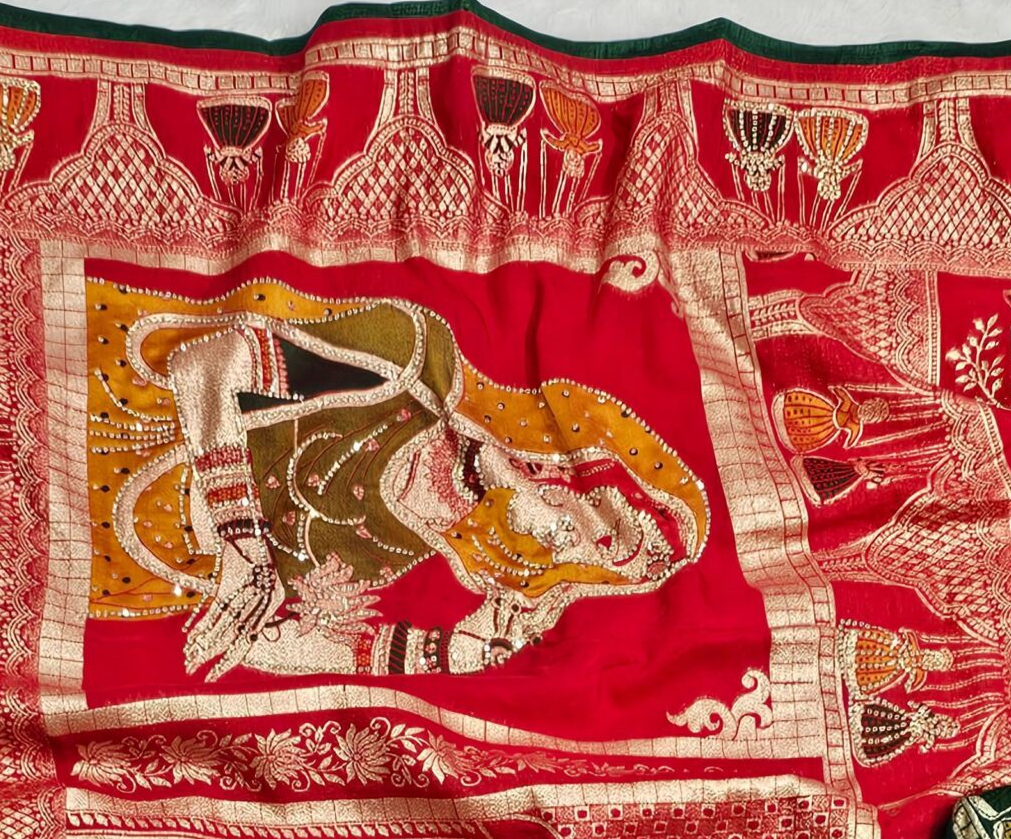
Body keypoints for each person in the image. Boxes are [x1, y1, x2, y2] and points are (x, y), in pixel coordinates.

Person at [86, 277, 707, 679]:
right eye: (587, 533)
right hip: (93, 403)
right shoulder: (410, 363)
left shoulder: (401, 555)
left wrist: (441, 655)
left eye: (575, 574)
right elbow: (204, 364)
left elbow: (259, 648)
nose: (555, 557)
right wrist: (241, 541)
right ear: (550, 468)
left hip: (105, 572)